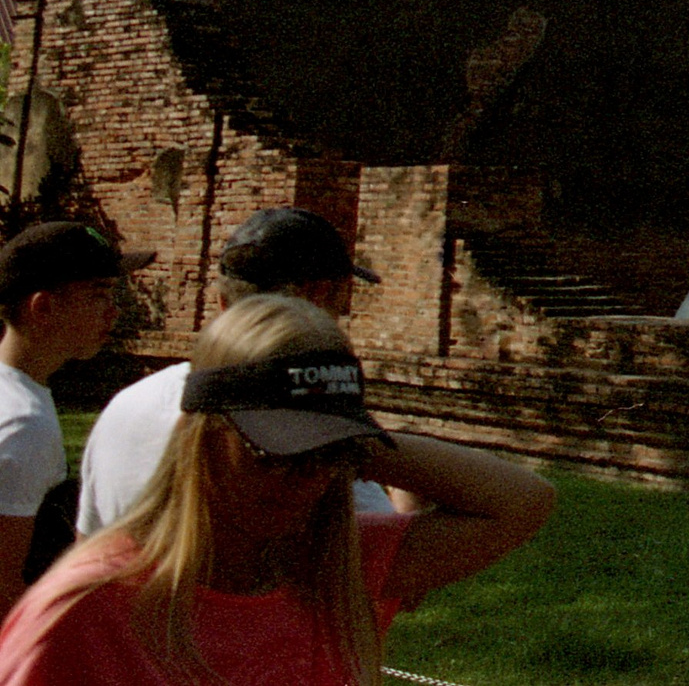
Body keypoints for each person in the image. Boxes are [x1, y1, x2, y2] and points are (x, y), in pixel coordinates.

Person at [0, 294, 555, 685]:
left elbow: (522, 500)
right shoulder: (86, 609)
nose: (307, 480)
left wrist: (350, 441)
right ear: (202, 441)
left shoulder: (334, 567)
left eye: (327, 456)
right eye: (275, 452)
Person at [80, 207, 390, 537]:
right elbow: (395, 560)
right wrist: (359, 445)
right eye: (343, 297)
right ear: (318, 294)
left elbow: (85, 544)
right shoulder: (309, 438)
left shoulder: (126, 404)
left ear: (222, 302)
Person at [0, 222, 155, 609]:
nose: (114, 310)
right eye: (98, 294)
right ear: (44, 307)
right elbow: (4, 586)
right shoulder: (24, 422)